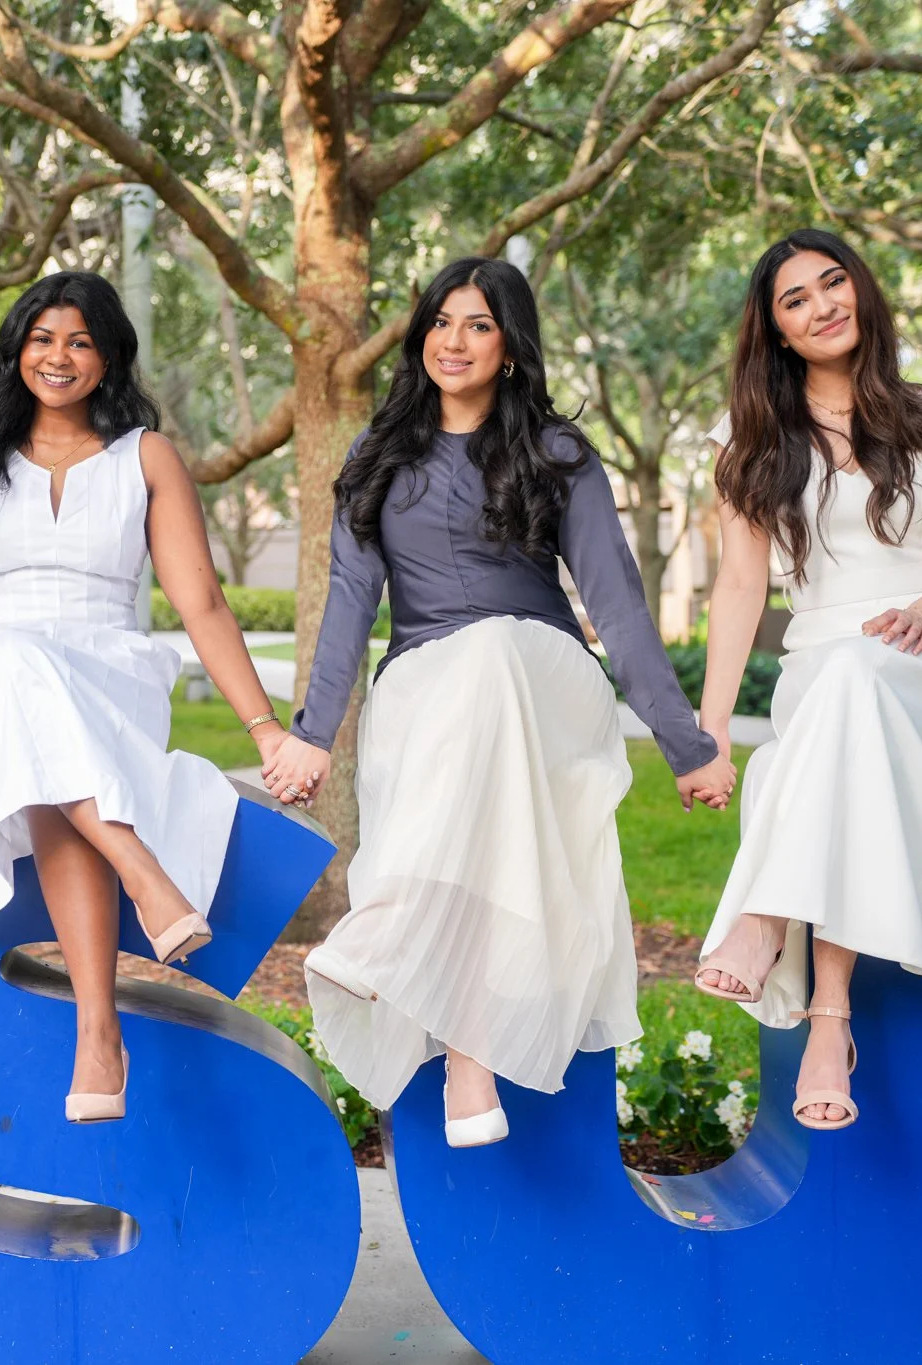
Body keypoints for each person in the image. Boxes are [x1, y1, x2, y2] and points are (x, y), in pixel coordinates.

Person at [261, 258, 736, 1148]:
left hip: (539, 675)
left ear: (511, 344)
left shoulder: (558, 453)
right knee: (465, 704)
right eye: (441, 321)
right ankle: (470, 1057)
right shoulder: (376, 453)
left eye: (478, 324)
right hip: (426, 687)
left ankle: (391, 943)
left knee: (489, 663)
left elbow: (620, 608)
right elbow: (349, 606)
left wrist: (688, 743)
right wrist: (313, 734)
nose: (454, 340)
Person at [0, 271, 288, 1123]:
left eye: (78, 340)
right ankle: (137, 901)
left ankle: (99, 1030)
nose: (58, 356)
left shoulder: (144, 458)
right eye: (41, 338)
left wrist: (263, 728)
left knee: (45, 756)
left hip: (109, 675)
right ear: (17, 351)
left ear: (106, 358)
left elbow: (202, 601)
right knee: (12, 670)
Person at [691, 228, 922, 1132]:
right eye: (795, 299)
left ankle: (765, 917)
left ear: (862, 292)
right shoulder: (749, 439)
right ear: (778, 333)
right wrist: (712, 723)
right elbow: (742, 585)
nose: (822, 304)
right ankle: (829, 1017)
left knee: (857, 680)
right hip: (828, 662)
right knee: (843, 686)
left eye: (833, 283)